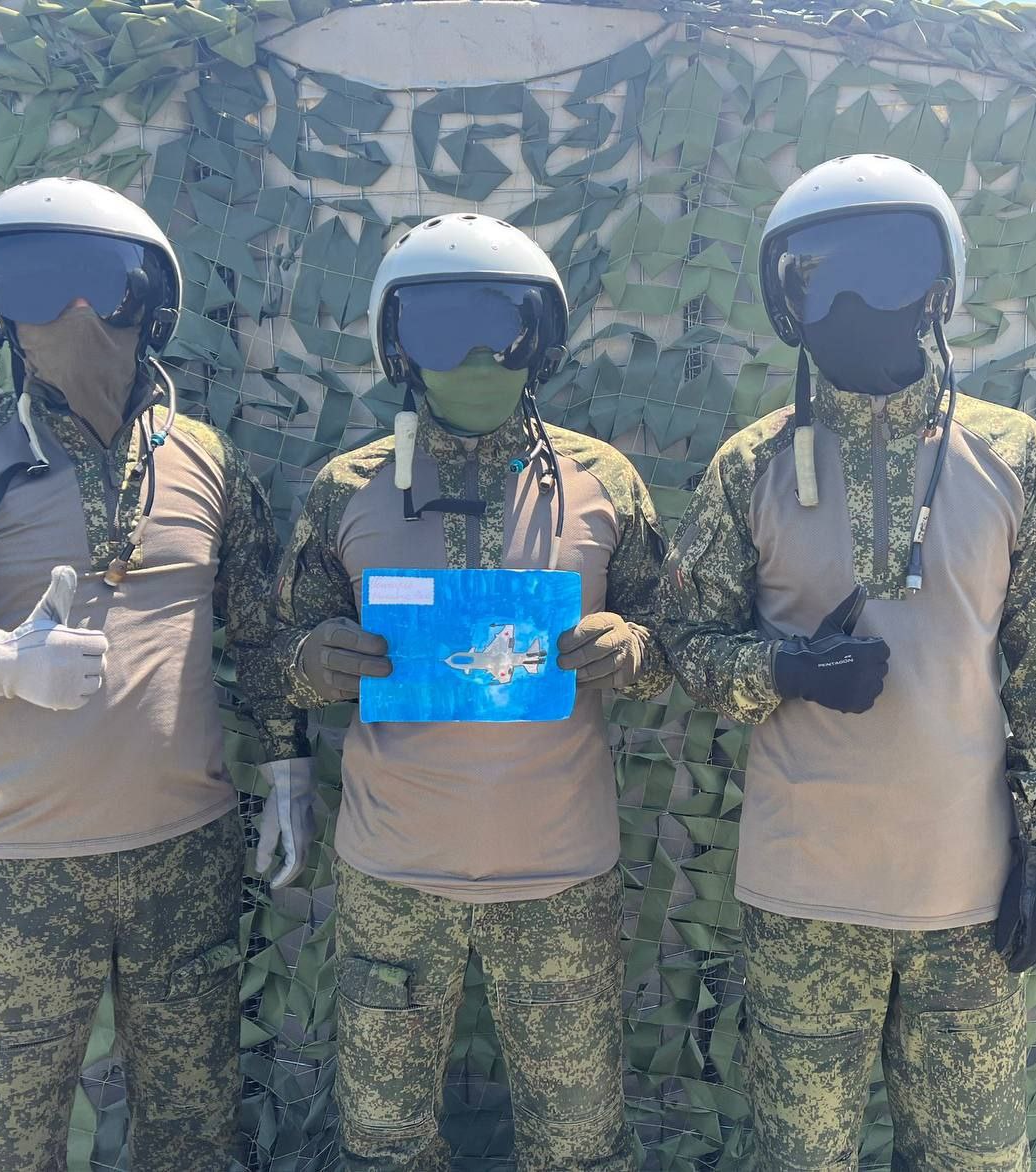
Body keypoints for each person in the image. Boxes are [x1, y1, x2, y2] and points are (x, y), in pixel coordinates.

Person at [0, 177, 308, 1171]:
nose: (81, 313)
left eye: (108, 282)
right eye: (39, 282)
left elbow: (261, 636)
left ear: (153, 301)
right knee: (6, 1146)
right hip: (16, 869)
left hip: (184, 857)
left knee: (195, 1131)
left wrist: (285, 774)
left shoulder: (210, 461)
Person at [659, 154, 1036, 1171]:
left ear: (939, 285)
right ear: (789, 298)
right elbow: (683, 638)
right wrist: (781, 668)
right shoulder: (753, 464)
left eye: (893, 266)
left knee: (971, 1157)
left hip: (967, 897)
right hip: (804, 899)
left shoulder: (1013, 455)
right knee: (802, 1154)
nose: (863, 297)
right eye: (828, 274)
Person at [269, 212, 671, 1170]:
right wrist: (309, 662)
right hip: (393, 878)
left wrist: (634, 649)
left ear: (544, 340)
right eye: (444, 330)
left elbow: (675, 634)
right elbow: (277, 648)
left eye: (507, 327)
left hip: (561, 877)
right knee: (384, 1140)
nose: (481, 355)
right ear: (398, 345)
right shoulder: (346, 488)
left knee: (579, 1144)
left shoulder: (603, 480)